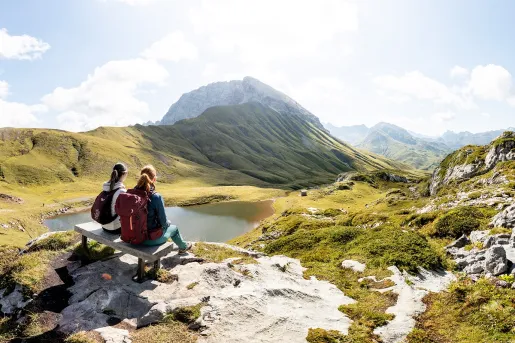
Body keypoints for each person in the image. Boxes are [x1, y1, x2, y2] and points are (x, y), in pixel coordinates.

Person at [135, 165, 192, 253]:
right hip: (150, 239)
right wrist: (168, 223)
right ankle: (183, 247)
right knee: (174, 228)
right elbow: (163, 223)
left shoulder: (132, 194)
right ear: (154, 179)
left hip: (135, 237)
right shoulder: (155, 197)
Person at [102, 163, 128, 234]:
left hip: (104, 226)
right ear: (123, 174)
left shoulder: (105, 187)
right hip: (115, 228)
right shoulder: (122, 191)